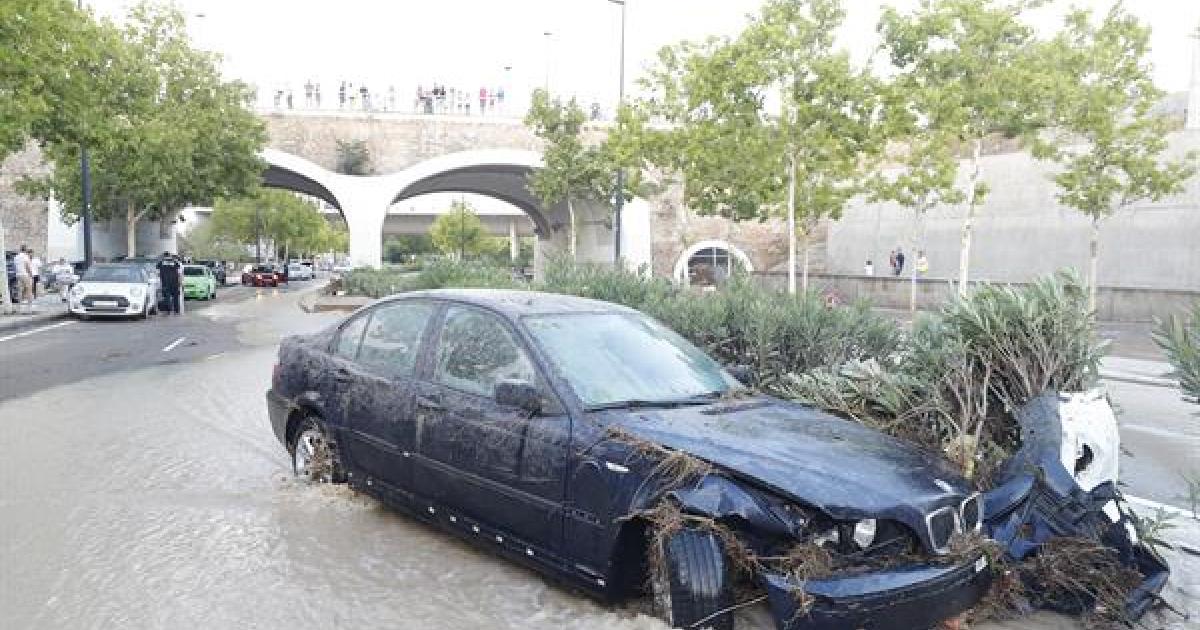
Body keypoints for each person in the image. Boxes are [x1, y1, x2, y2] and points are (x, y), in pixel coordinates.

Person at [13, 246, 34, 314]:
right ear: (25, 250)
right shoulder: (25, 257)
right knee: (29, 290)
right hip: (25, 275)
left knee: (20, 291)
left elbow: (15, 266)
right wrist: (31, 275)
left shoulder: (16, 257)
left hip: (18, 275)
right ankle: (29, 307)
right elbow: (27, 266)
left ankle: (19, 307)